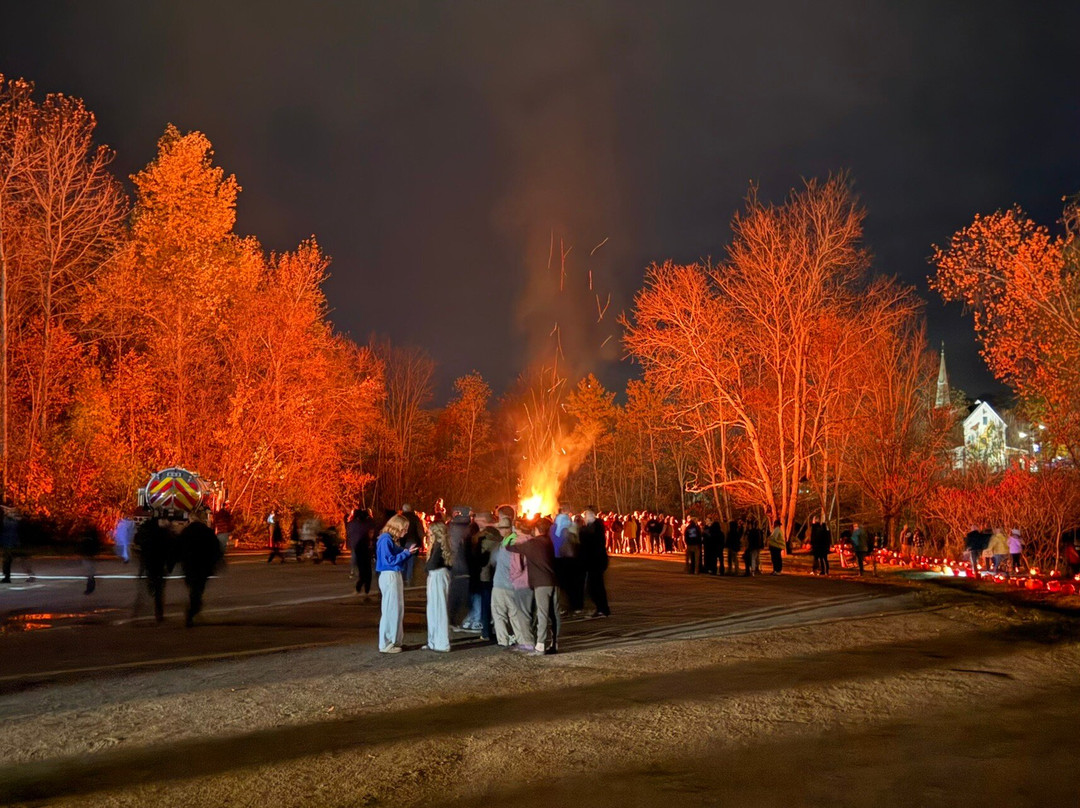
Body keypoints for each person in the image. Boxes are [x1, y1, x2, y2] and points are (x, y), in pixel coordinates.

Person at [509, 517, 560, 654]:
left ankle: (540, 644)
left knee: (542, 614)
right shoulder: (549, 542)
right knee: (554, 615)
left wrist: (511, 535)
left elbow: (509, 547)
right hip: (553, 581)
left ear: (536, 529)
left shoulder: (532, 543)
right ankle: (554, 643)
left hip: (541, 583)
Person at [375, 514, 418, 653]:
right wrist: (406, 553)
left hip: (393, 574)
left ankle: (395, 641)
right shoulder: (385, 539)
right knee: (391, 609)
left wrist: (407, 552)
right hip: (389, 574)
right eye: (404, 529)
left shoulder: (388, 539)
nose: (405, 532)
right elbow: (388, 560)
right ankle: (387, 643)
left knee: (397, 609)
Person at [491, 515, 534, 649]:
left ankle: (503, 640)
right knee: (515, 614)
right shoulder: (516, 541)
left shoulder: (506, 544)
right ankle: (521, 639)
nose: (500, 531)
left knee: (499, 614)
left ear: (509, 529)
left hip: (501, 584)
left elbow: (495, 560)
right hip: (512, 585)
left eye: (502, 528)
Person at [179, 518, 222, 627]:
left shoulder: (186, 533)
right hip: (203, 567)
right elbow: (216, 549)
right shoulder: (207, 533)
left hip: (189, 566)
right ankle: (193, 610)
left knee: (194, 589)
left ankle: (193, 609)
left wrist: (172, 562)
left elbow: (178, 548)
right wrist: (216, 562)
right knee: (198, 589)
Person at [423, 521, 453, 652]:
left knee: (437, 609)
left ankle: (440, 642)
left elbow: (430, 565)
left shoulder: (438, 546)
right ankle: (435, 641)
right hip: (441, 575)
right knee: (436, 609)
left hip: (437, 576)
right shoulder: (444, 545)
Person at [580, 507, 611, 618]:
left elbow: (589, 541)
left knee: (596, 587)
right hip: (595, 561)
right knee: (595, 586)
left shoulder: (594, 527)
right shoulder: (594, 526)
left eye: (586, 516)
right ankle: (601, 608)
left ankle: (602, 609)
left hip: (596, 561)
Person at [347, 507, 374, 594]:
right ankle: (366, 589)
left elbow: (349, 534)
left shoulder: (352, 524)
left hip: (357, 546)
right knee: (367, 570)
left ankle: (354, 575)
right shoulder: (368, 525)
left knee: (360, 567)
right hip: (365, 548)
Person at [400, 503, 426, 586]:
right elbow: (420, 531)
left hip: (402, 542)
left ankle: (402, 579)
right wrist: (422, 542)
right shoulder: (415, 518)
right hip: (412, 541)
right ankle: (408, 579)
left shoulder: (400, 518)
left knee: (402, 560)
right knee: (410, 561)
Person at [76, 522, 103, 595]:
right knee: (90, 572)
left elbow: (82, 546)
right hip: (90, 556)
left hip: (88, 556)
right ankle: (90, 586)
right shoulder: (93, 538)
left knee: (89, 572)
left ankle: (90, 587)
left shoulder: (87, 538)